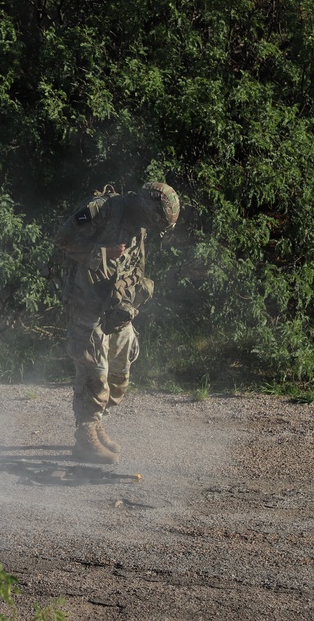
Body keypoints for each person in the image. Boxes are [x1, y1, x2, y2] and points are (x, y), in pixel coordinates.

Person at [53, 182, 180, 464]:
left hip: (117, 306)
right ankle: (86, 434)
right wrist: (102, 252)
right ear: (145, 208)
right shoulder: (99, 210)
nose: (151, 228)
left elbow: (136, 264)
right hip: (86, 302)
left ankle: (98, 423)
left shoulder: (141, 224)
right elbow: (62, 238)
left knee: (120, 374)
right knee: (93, 371)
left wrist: (131, 297)